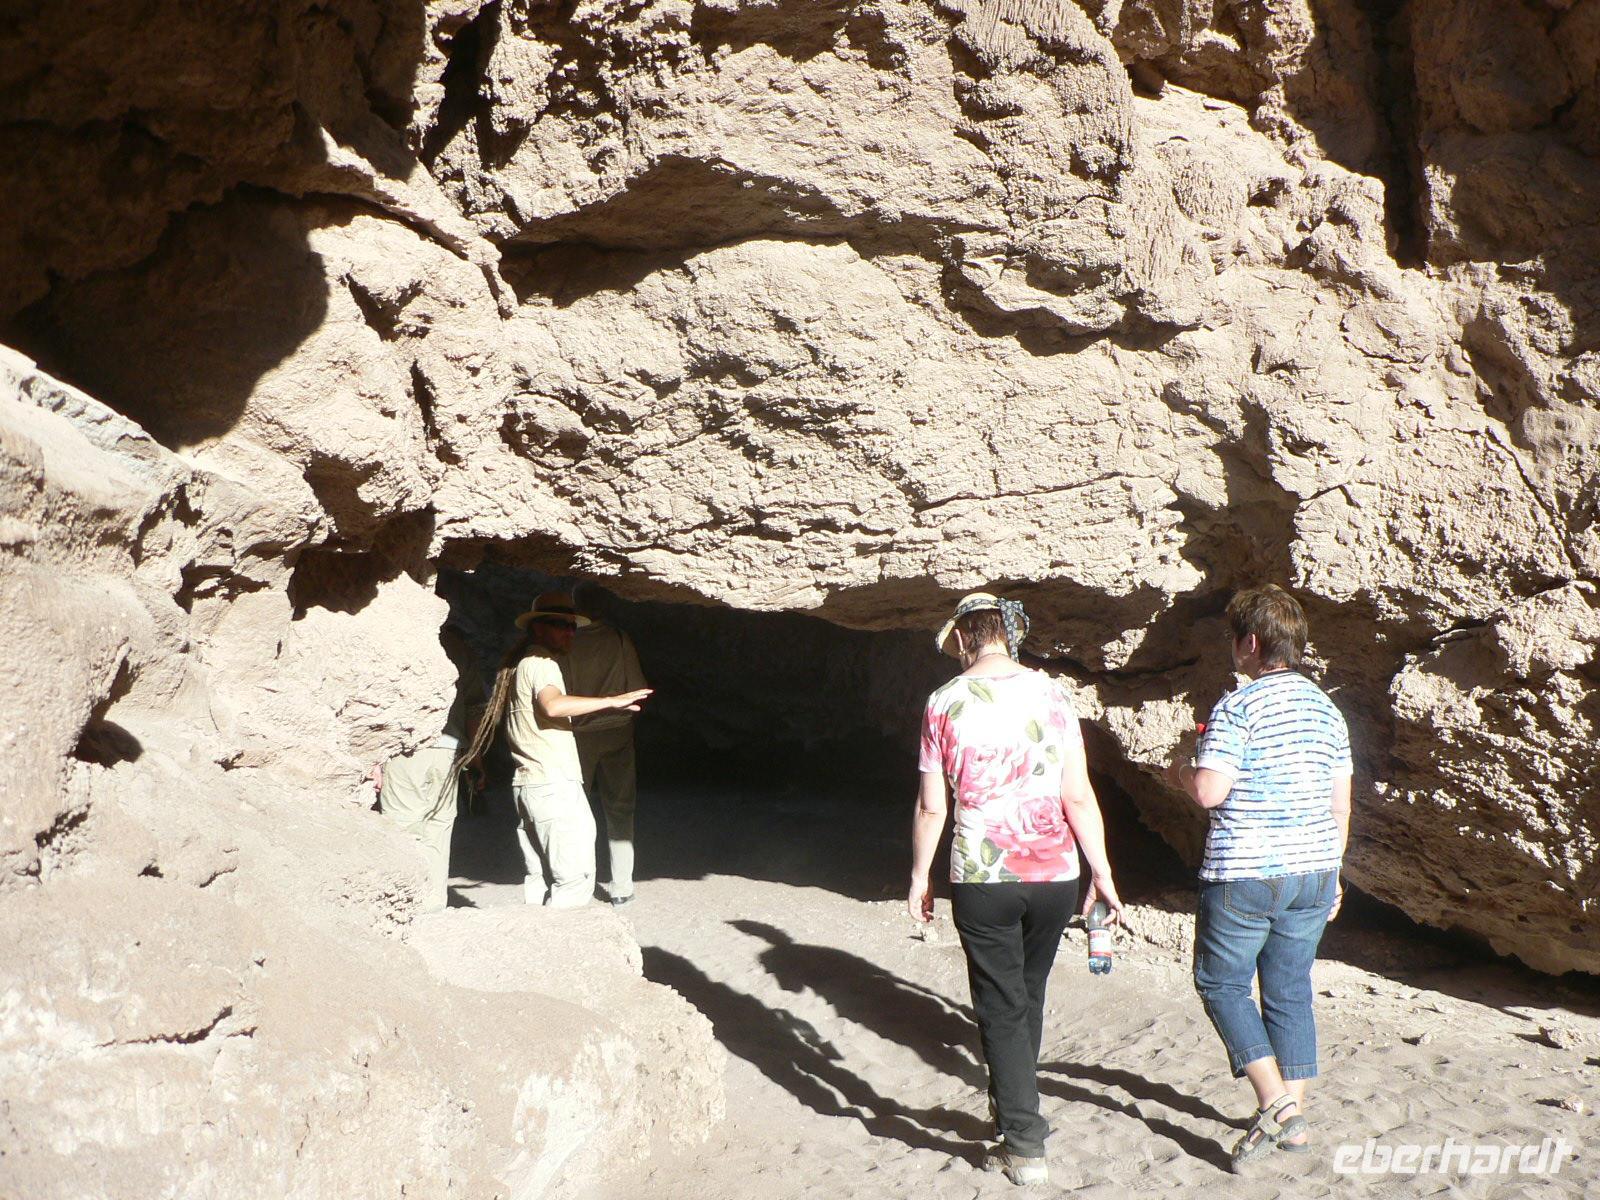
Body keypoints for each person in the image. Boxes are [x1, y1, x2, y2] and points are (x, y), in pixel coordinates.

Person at [909, 591, 1123, 1187]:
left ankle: (1024, 1143)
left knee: (1000, 1004)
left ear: (961, 638)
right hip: (1055, 874)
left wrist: (920, 875)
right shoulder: (1053, 694)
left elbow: (932, 807)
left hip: (984, 876)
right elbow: (1078, 794)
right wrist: (1102, 872)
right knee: (1027, 993)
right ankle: (1012, 1108)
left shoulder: (943, 702)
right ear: (1008, 633)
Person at [1169, 584, 1353, 1170]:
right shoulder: (1328, 711)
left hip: (1246, 871)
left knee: (1221, 984)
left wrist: (1181, 770)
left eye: (1234, 637)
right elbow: (1340, 805)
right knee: (1290, 990)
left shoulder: (1239, 707)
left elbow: (1210, 791)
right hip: (1315, 870)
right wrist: (1334, 872)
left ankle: (1276, 1104)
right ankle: (1294, 1123)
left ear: (1250, 643)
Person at [455, 591, 652, 908]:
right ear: (537, 627)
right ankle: (621, 887)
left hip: (531, 782)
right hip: (555, 779)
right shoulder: (545, 663)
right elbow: (553, 704)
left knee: (540, 879)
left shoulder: (522, 663)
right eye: (562, 625)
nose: (570, 632)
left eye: (572, 625)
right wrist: (611, 701)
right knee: (575, 879)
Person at [374, 624, 484, 912]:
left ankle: (405, 905)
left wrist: (373, 757)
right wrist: (475, 758)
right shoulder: (459, 648)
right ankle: (434, 904)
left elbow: (377, 701)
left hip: (406, 748)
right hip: (448, 750)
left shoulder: (398, 636)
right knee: (438, 829)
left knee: (403, 826)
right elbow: (475, 707)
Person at [566, 588, 649, 906]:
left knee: (575, 807)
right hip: (617, 731)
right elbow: (637, 687)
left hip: (578, 733)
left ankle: (578, 880)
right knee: (620, 807)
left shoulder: (567, 640)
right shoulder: (618, 638)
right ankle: (622, 886)